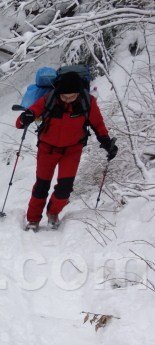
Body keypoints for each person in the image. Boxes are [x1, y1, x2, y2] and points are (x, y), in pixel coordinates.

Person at [17, 71, 118, 230]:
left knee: (65, 188)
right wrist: (25, 118)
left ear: (79, 93)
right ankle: (33, 219)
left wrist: (106, 142)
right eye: (64, 97)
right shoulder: (49, 99)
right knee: (42, 186)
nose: (68, 100)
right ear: (58, 93)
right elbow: (23, 119)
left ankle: (53, 212)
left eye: (72, 96)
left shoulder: (87, 102)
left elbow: (98, 124)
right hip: (47, 149)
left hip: (72, 150)